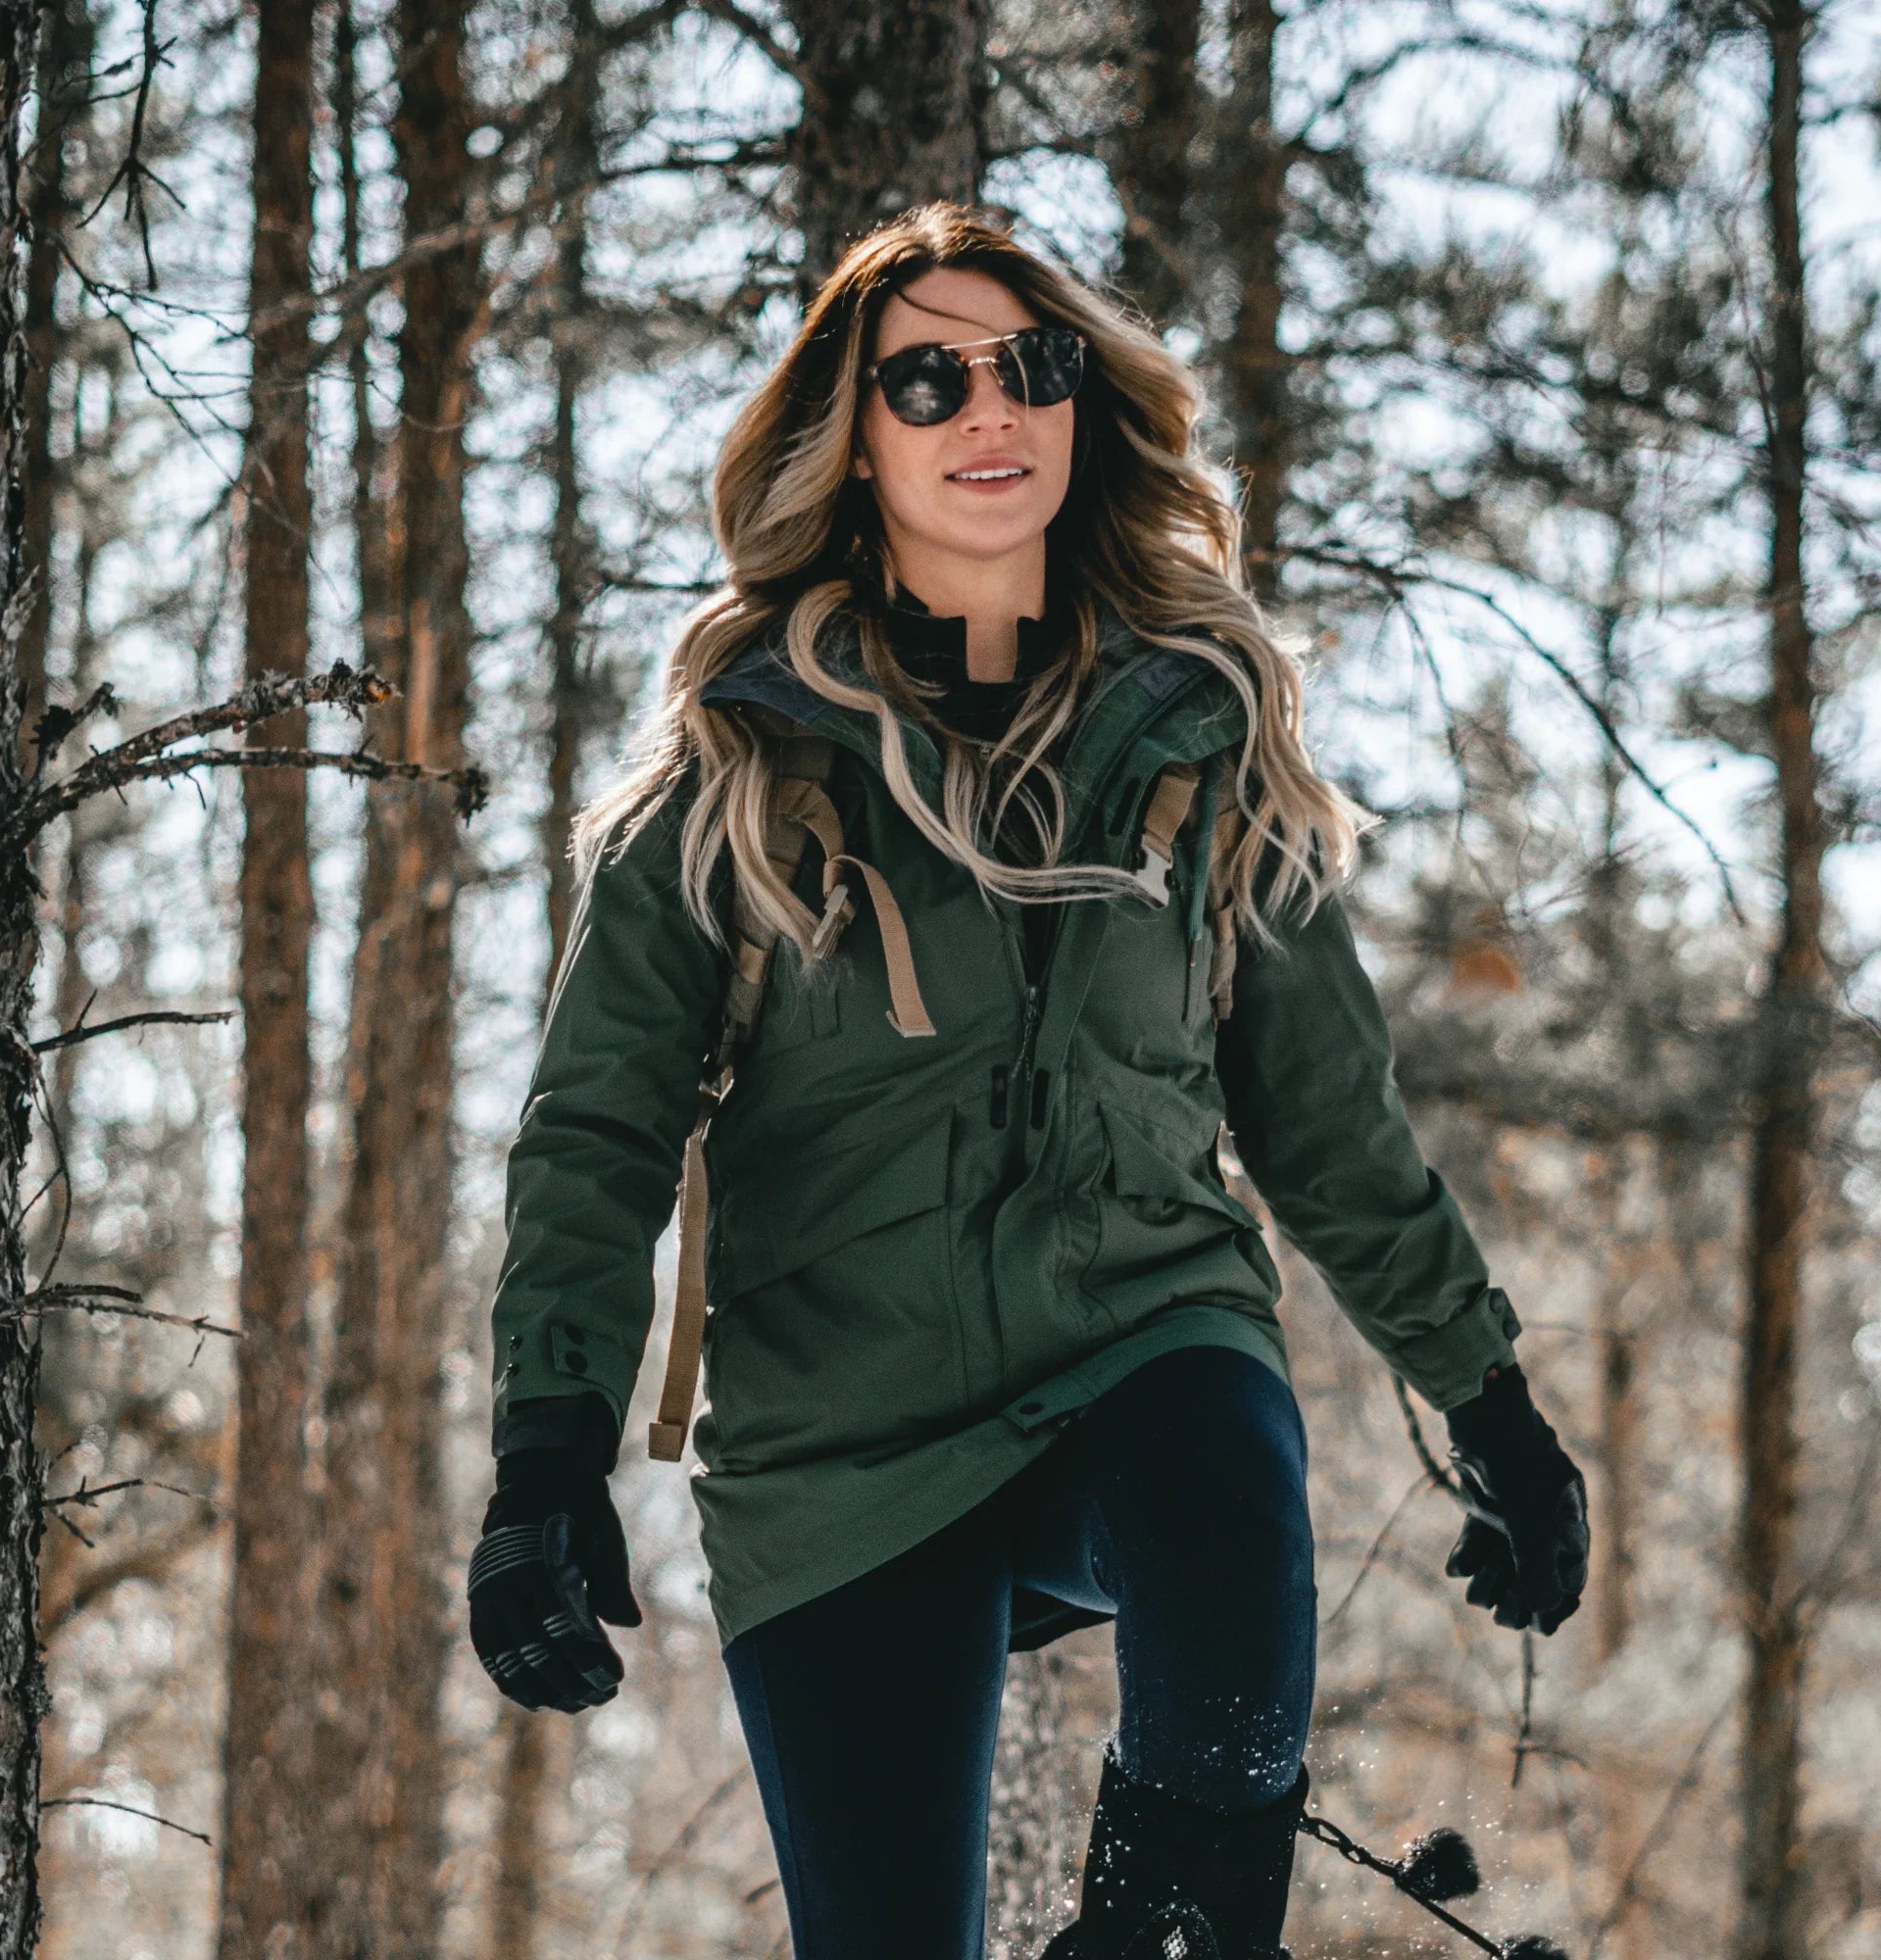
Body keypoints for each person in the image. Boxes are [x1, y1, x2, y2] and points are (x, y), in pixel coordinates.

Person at [466, 204, 1589, 1960]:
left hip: (1134, 1346)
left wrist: (1495, 1406)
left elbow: (1329, 1125)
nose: (990, 409)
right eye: (929, 379)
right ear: (855, 439)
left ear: (1084, 401)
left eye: (1032, 365)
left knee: (1227, 1474)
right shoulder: (735, 775)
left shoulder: (1206, 743)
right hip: (841, 1447)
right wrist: (547, 1456)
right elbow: (597, 1133)